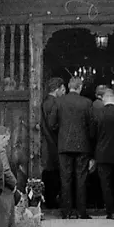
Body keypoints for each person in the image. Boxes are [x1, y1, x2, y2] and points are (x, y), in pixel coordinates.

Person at [50, 75, 94, 219]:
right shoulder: (87, 103)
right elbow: (92, 126)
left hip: (64, 145)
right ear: (80, 87)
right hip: (82, 146)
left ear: (69, 87)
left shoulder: (59, 101)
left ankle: (66, 211)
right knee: (81, 179)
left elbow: (52, 124)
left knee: (65, 178)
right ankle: (81, 211)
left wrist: (61, 132)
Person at [90, 87, 114, 219]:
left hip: (102, 154)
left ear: (103, 99)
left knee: (106, 184)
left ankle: (110, 211)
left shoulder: (97, 114)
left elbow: (92, 135)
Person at [39, 78, 65, 211]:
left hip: (49, 143)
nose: (64, 92)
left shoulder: (46, 101)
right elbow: (52, 124)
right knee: (53, 174)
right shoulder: (53, 103)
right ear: (57, 89)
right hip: (53, 143)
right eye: (63, 89)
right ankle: (51, 202)